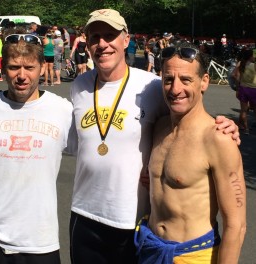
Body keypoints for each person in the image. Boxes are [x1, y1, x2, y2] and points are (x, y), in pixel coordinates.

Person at [68, 9, 240, 264]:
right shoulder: (78, 86)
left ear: (126, 40)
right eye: (95, 37)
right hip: (86, 216)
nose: (102, 44)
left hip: (135, 223)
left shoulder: (149, 86)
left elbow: (188, 108)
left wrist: (225, 125)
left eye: (110, 35)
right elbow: (177, 117)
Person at [0, 33, 73, 264]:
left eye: (29, 67)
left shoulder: (63, 110)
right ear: (4, 68)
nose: (21, 76)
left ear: (42, 68)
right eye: (13, 67)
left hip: (40, 241)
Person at [135, 42, 246, 263]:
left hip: (194, 255)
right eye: (168, 80)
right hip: (150, 248)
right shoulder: (159, 128)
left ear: (204, 82)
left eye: (186, 80)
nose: (175, 89)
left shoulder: (218, 139)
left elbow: (236, 226)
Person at [232, 49, 256, 135]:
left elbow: (234, 75)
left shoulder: (241, 64)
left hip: (243, 88)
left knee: (243, 110)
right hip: (254, 89)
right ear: (250, 56)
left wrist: (239, 84)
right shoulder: (254, 65)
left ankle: (246, 129)